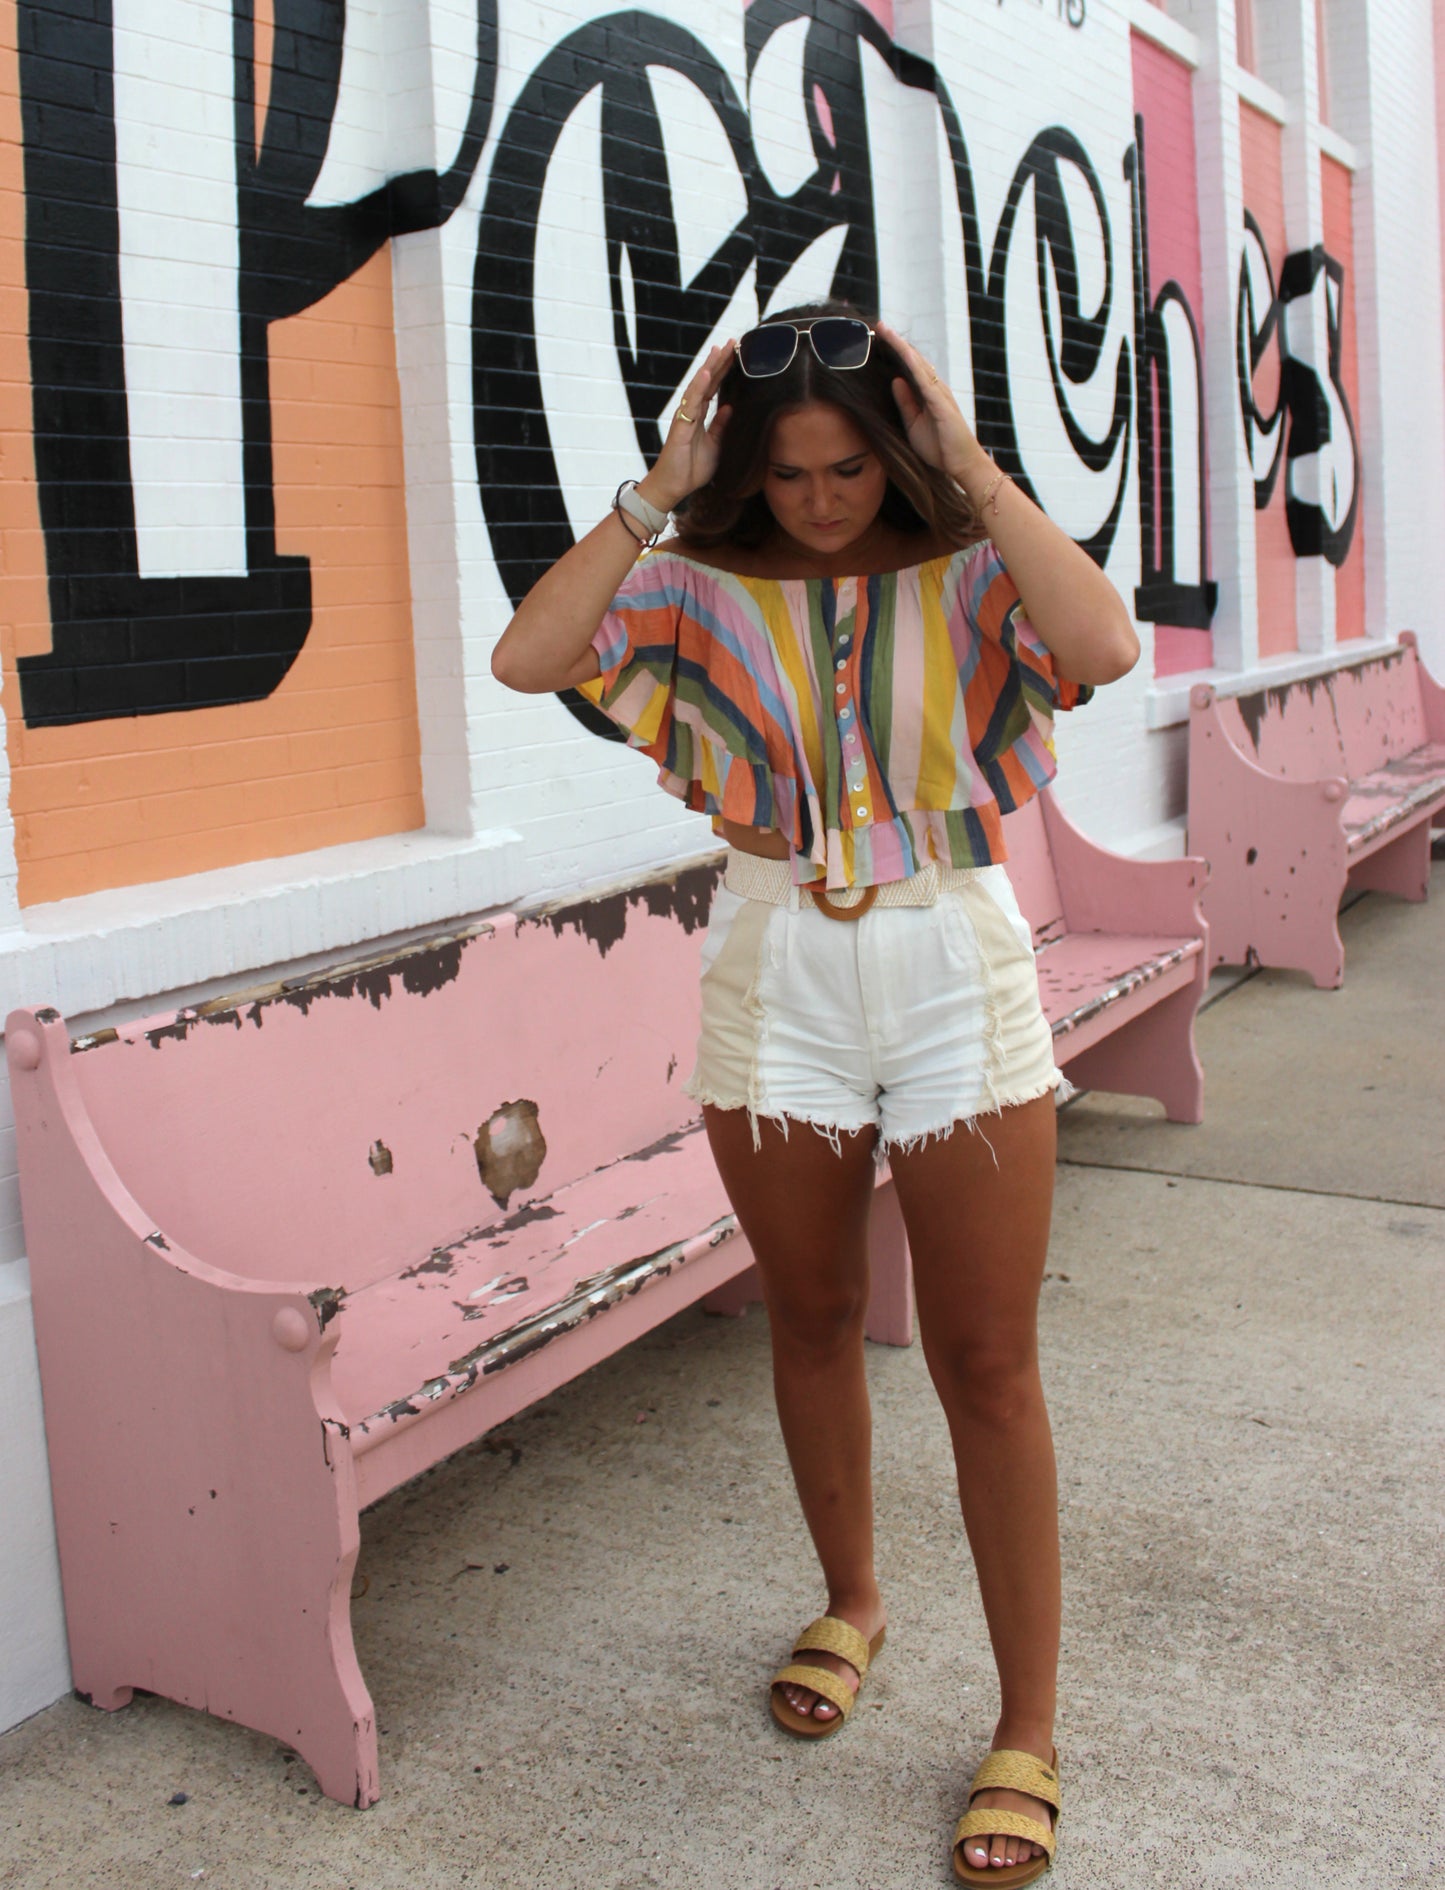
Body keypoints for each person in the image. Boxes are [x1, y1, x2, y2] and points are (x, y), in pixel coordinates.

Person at [492, 303, 1139, 1885]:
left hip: (950, 952)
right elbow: (530, 657)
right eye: (786, 476)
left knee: (986, 1356)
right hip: (775, 956)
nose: (824, 499)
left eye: (850, 465)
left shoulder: (971, 562)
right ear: (746, 469)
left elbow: (1105, 646)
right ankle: (853, 1596)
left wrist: (970, 467)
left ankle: (1025, 1723)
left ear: (894, 447)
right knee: (807, 1313)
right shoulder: (696, 581)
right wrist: (660, 488)